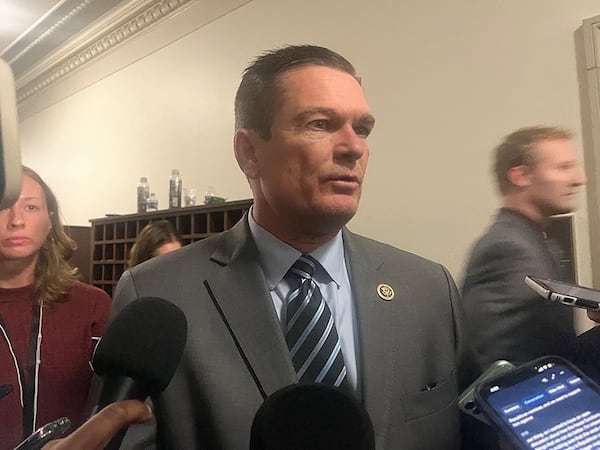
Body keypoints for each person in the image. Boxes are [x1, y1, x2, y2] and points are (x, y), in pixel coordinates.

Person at [110, 45, 481, 449]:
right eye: (321, 124)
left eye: (363, 128)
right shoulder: (159, 294)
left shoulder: (428, 289)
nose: (353, 147)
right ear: (249, 153)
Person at [0, 166, 111, 449]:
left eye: (31, 207)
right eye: (2, 205)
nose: (16, 220)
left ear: (50, 222)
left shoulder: (92, 306)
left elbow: (112, 400)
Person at [461, 126, 587, 369]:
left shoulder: (535, 238)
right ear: (520, 176)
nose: (579, 179)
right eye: (563, 168)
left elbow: (551, 343)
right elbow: (493, 365)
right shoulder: (508, 249)